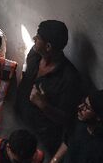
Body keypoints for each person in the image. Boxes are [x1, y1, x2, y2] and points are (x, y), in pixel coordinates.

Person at [15, 20, 82, 154]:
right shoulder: (34, 55)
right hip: (18, 119)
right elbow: (26, 77)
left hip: (40, 140)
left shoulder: (70, 78)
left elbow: (67, 119)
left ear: (48, 46)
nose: (34, 39)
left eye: (38, 37)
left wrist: (43, 105)